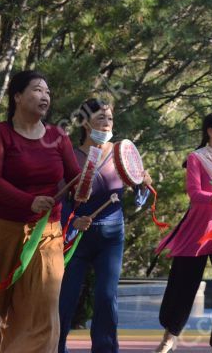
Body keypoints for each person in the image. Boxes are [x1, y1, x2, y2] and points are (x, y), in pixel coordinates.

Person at [0, 70, 86, 353]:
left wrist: (85, 188)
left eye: (48, 92)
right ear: (17, 96)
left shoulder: (58, 136)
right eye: (37, 90)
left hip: (47, 234)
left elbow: (75, 179)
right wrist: (27, 201)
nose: (45, 96)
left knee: (41, 312)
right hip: (2, 231)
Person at [58, 97, 151, 353]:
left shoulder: (121, 152)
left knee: (106, 297)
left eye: (110, 119)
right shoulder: (71, 155)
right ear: (85, 122)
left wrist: (143, 184)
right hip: (76, 236)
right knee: (66, 298)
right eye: (101, 118)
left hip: (111, 235)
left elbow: (140, 195)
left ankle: (106, 349)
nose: (107, 123)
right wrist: (72, 220)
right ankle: (55, 347)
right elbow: (59, 199)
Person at [153, 113, 212, 353]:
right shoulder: (196, 158)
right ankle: (169, 338)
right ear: (210, 131)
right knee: (183, 285)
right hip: (196, 231)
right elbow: (195, 194)